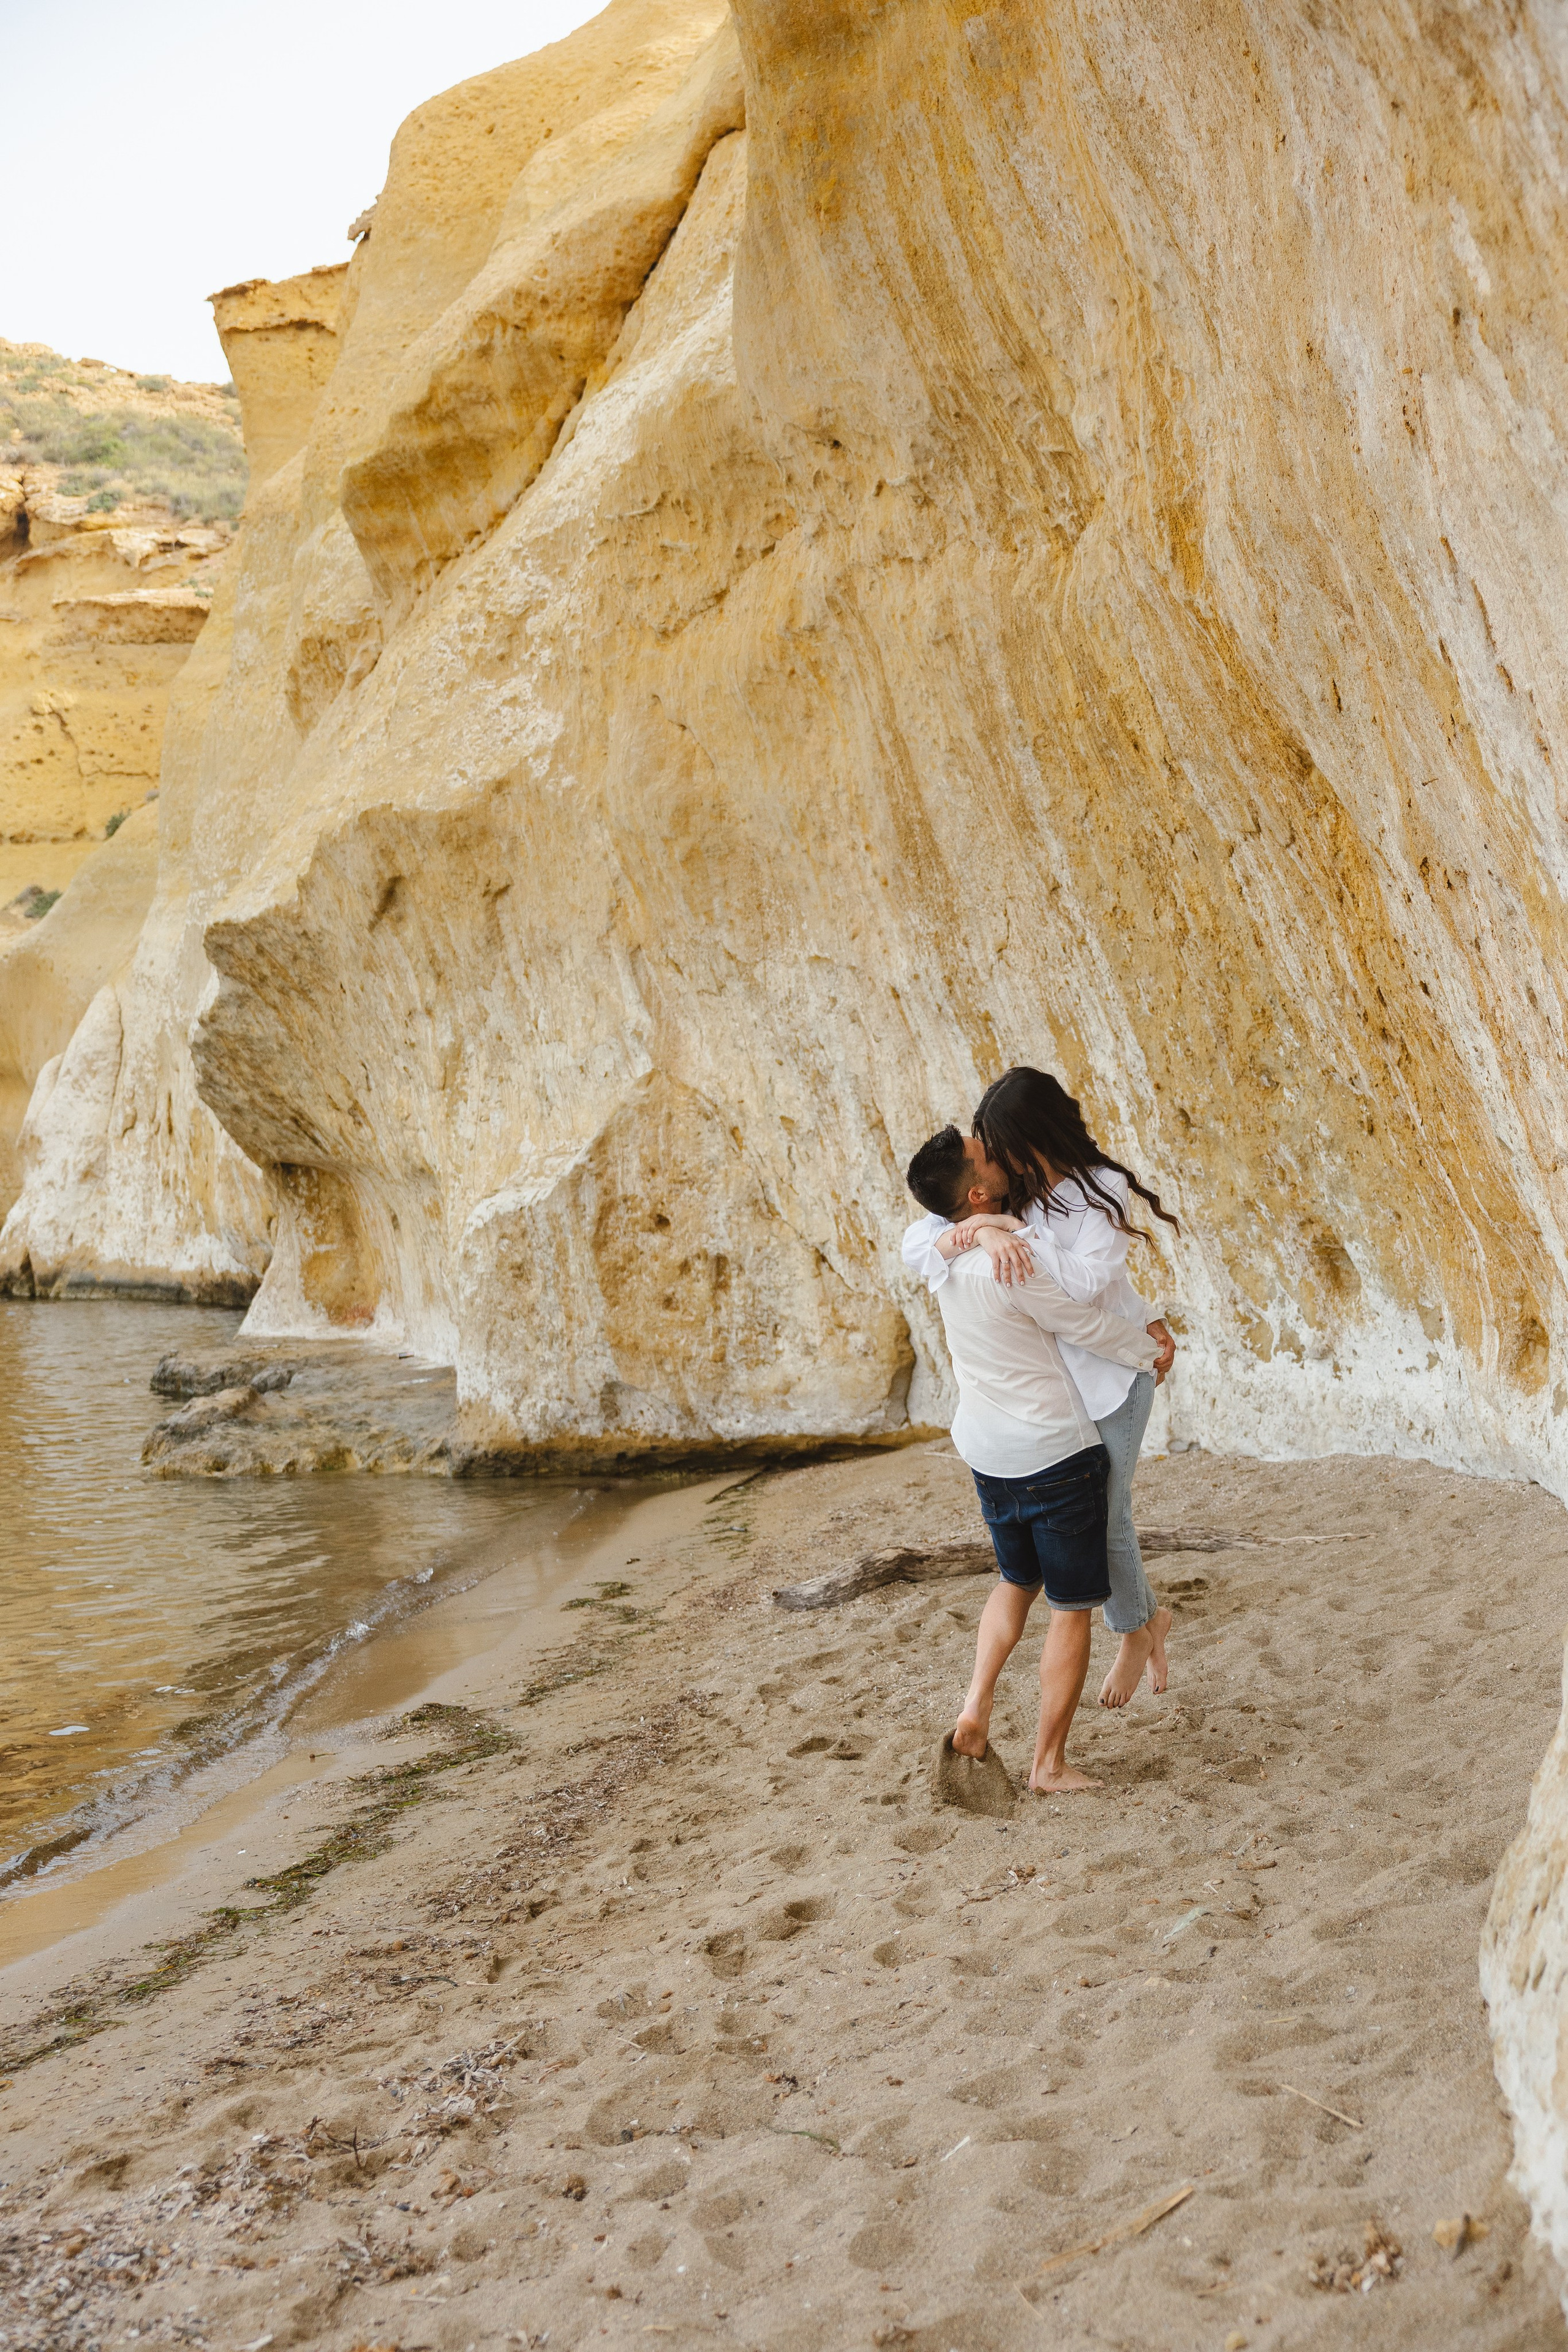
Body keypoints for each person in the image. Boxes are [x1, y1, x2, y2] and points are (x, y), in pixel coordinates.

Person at [904, 1122, 1175, 1793]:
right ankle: (1048, 1765)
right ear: (976, 1192)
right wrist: (1151, 1350)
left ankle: (975, 1705)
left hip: (986, 1453)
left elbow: (919, 1242)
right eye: (982, 1157)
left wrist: (977, 1229)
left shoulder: (942, 1264)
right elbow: (1081, 1323)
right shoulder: (1013, 1258)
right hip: (1054, 1453)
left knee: (1013, 1583)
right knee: (1069, 1609)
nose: (994, 1154)